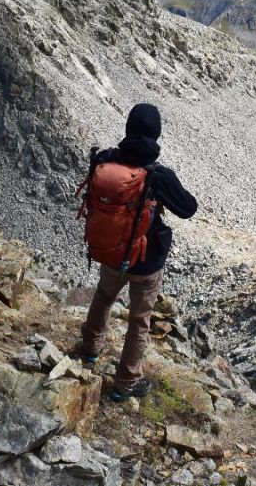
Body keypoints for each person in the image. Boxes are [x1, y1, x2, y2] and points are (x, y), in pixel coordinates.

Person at [78, 103, 198, 401]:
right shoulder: (158, 174)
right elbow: (187, 209)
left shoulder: (106, 159)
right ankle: (125, 383)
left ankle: (90, 350)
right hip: (147, 261)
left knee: (104, 297)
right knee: (139, 321)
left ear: (129, 128)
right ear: (155, 135)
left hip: (112, 252)